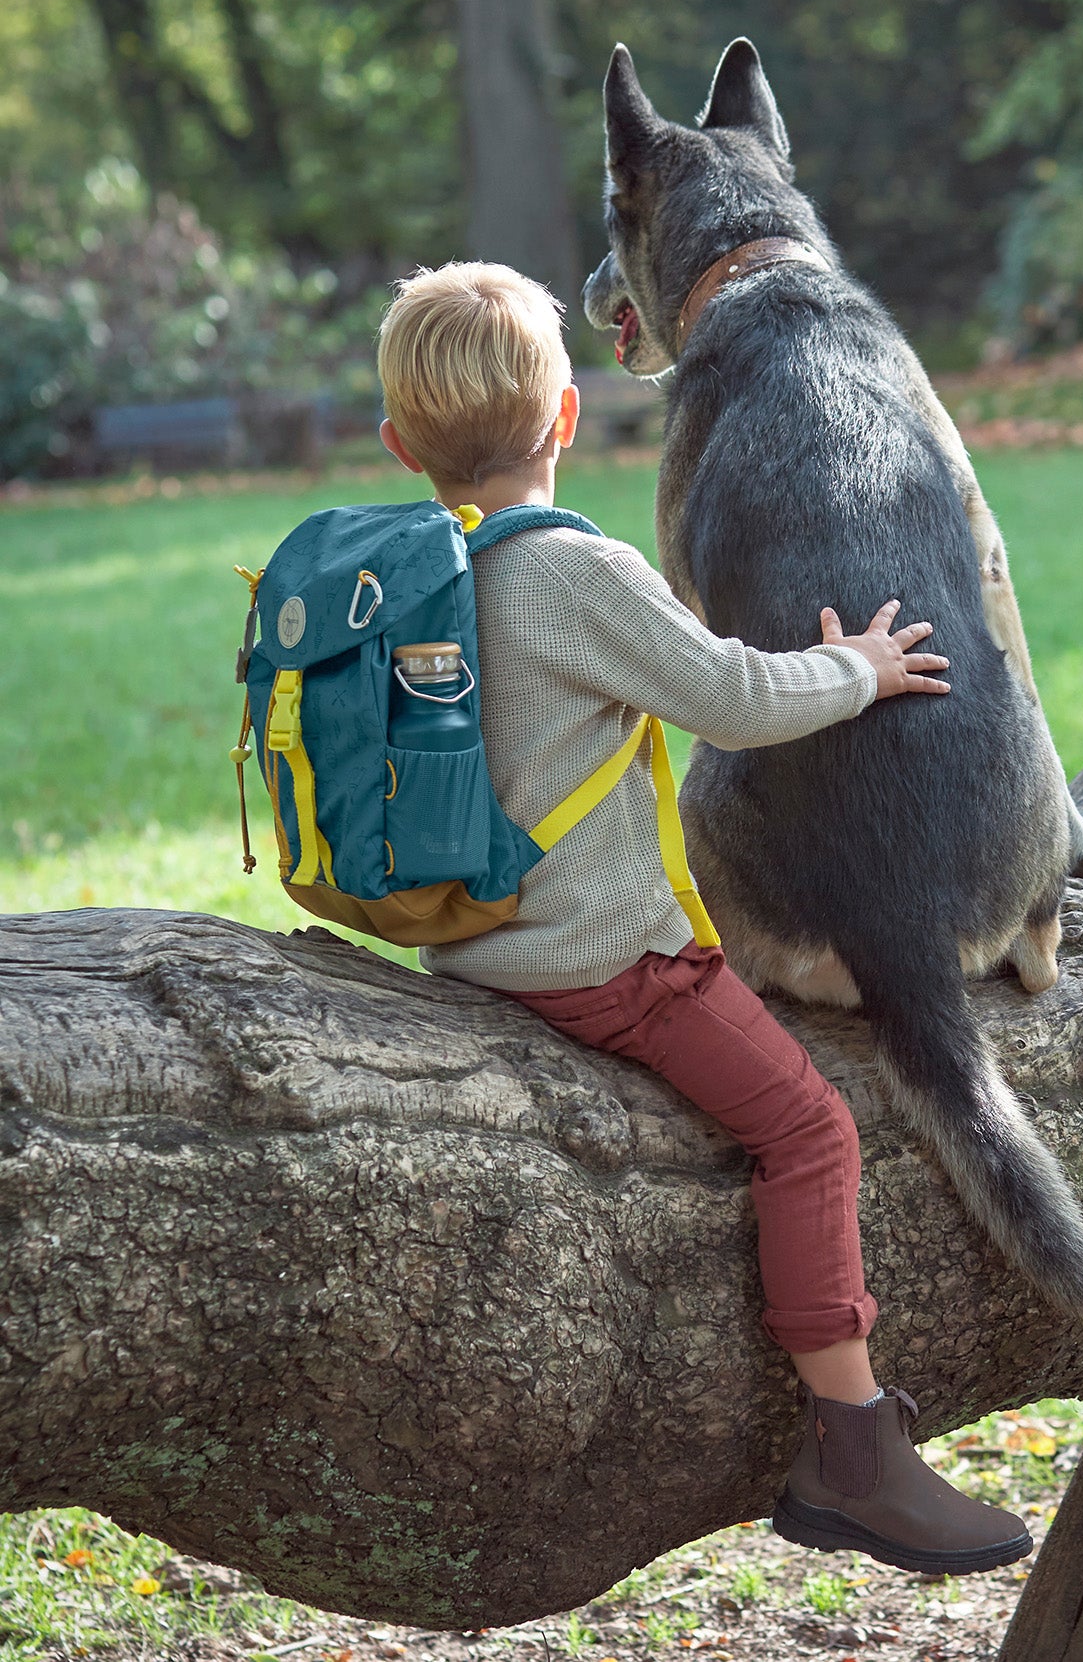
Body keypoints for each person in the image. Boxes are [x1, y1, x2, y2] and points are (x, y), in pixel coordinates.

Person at [376, 260, 1031, 1575]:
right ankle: (852, 1447)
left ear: (402, 446)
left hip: (470, 941)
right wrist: (859, 667)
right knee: (810, 1127)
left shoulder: (420, 573)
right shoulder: (572, 571)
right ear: (568, 418)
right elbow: (731, 695)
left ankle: (853, 1442)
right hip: (603, 967)